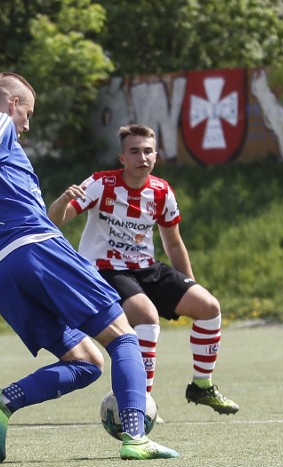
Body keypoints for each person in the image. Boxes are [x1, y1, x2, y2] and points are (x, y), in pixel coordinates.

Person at [0, 72, 179, 463]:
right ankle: (135, 435)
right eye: (28, 111)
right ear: (12, 104)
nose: (27, 122)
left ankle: (2, 402)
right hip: (36, 250)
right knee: (123, 336)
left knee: (86, 363)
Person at [47, 123, 239, 415]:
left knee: (209, 307)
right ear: (122, 158)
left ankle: (201, 386)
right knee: (147, 316)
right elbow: (56, 220)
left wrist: (187, 284)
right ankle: (140, 403)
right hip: (105, 270)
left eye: (148, 151)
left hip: (146, 268)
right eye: (134, 151)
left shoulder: (161, 191)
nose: (142, 157)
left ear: (156, 156)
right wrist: (62, 201)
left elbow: (173, 244)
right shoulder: (101, 184)